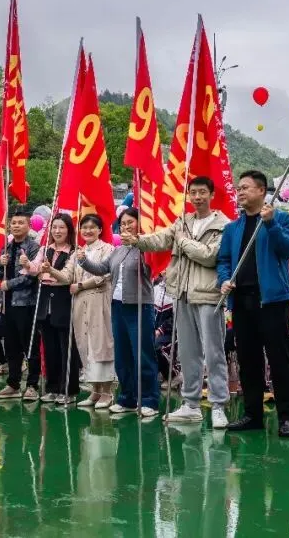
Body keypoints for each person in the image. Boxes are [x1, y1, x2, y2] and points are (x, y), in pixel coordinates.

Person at [129, 176, 230, 428]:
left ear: (211, 194)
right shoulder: (181, 221)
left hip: (208, 295)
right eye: (193, 193)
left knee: (214, 352)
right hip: (182, 293)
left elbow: (210, 257)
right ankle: (191, 404)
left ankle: (219, 405)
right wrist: (138, 240)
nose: (197, 197)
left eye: (202, 192)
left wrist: (183, 241)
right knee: (187, 352)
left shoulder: (224, 225)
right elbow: (161, 239)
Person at [218, 170, 289, 436]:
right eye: (238, 188)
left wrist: (272, 223)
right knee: (248, 360)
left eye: (246, 188)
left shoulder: (281, 218)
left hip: (272, 302)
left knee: (279, 360)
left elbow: (288, 250)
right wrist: (224, 280)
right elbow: (224, 261)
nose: (240, 192)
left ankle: (287, 417)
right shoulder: (232, 228)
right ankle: (252, 414)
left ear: (262, 191)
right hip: (242, 301)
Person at [80, 208, 159, 417]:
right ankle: (127, 398)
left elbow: (156, 270)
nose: (126, 227)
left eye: (130, 223)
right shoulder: (117, 250)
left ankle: (150, 399)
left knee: (142, 353)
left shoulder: (146, 249)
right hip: (117, 305)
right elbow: (101, 268)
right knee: (122, 355)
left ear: (139, 224)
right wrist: (83, 260)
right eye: (123, 224)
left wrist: (139, 242)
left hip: (140, 306)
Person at [6, 213, 79, 404]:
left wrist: (49, 271)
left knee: (65, 347)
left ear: (68, 229)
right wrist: (27, 264)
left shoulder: (73, 251)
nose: (57, 231)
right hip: (45, 299)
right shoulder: (46, 249)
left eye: (61, 227)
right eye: (54, 227)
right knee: (50, 347)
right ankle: (53, 387)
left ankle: (67, 389)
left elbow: (67, 277)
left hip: (63, 299)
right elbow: (35, 268)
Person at [68, 214, 116, 408]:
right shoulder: (78, 252)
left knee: (102, 344)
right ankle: (95, 390)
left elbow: (104, 275)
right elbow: (67, 275)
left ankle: (107, 391)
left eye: (92, 227)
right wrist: (47, 271)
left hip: (99, 301)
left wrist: (80, 285)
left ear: (100, 230)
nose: (87, 231)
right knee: (86, 344)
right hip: (80, 304)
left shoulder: (108, 249)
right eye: (84, 227)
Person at [0, 208, 42, 400]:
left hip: (26, 304)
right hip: (7, 305)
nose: (16, 226)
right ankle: (13, 384)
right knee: (12, 345)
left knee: (29, 344)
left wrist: (9, 284)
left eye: (20, 223)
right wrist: (0, 264)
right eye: (13, 223)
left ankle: (32, 385)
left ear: (29, 225)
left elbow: (32, 276)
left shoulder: (33, 248)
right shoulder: (6, 248)